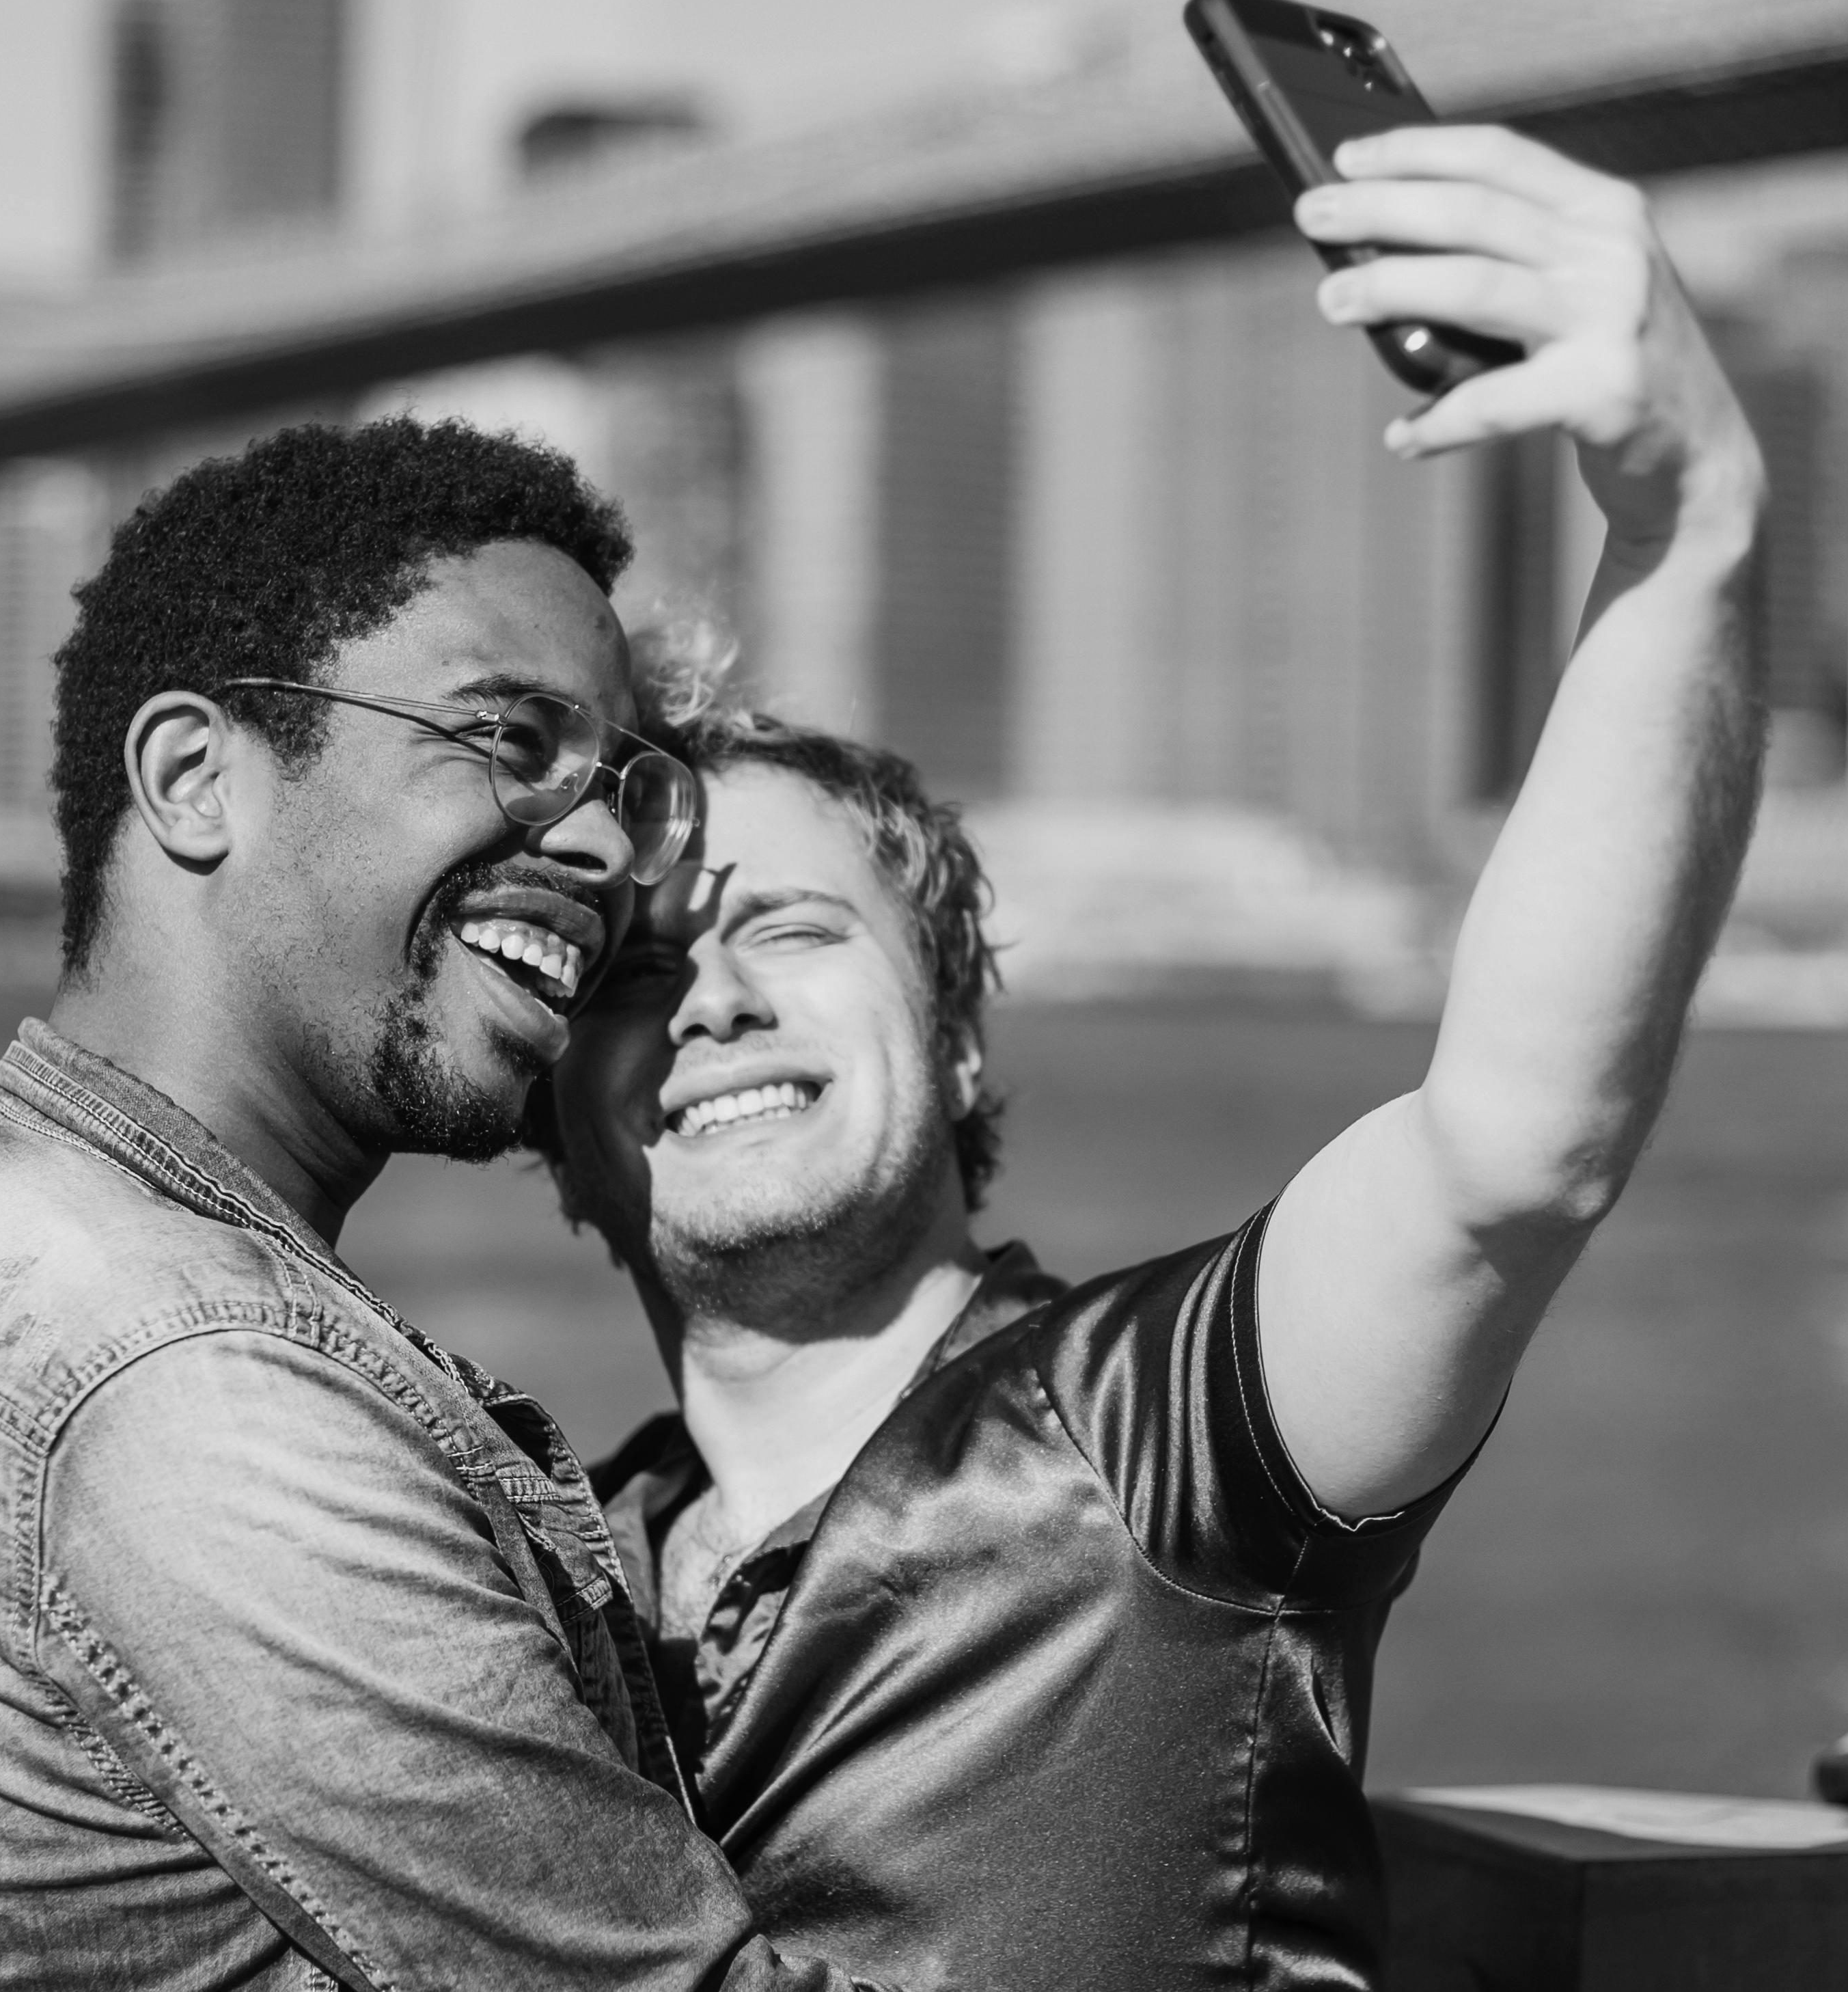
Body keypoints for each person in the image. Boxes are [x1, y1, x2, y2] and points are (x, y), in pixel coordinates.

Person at [538, 124, 1767, 1990]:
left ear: (953, 1044)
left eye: (791, 932)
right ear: (556, 1123)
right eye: (637, 973)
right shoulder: (520, 1584)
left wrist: (1685, 528)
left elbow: (1512, 1147)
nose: (709, 1001)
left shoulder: (1164, 1439)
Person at [0, 419, 913, 1990]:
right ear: (199, 779)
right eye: (507, 740)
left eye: (625, 783)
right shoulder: (174, 1384)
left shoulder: (72, 1254)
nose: (607, 848)